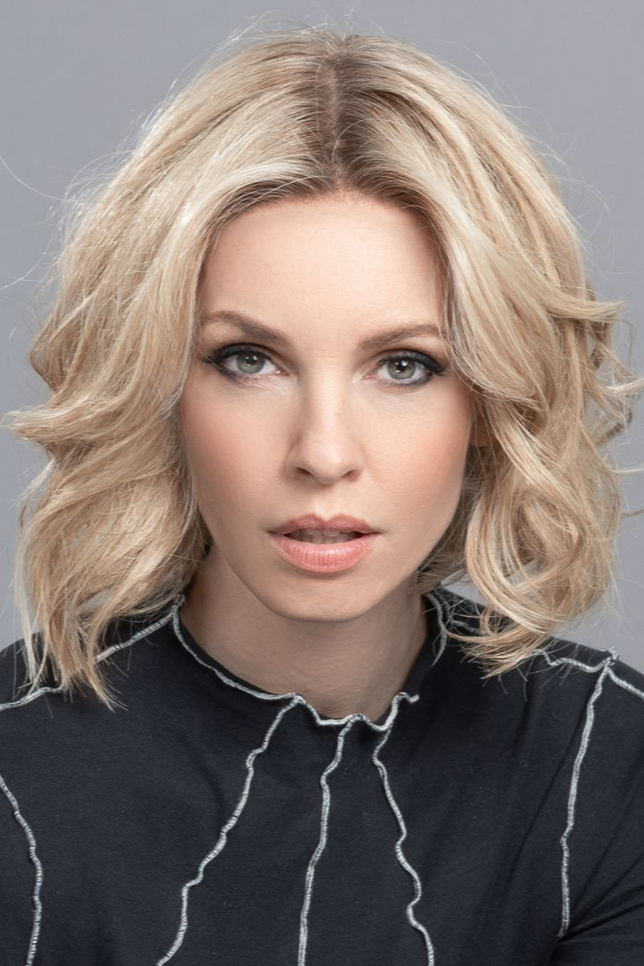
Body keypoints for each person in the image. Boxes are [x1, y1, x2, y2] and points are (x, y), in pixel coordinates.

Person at [1, 19, 643, 966]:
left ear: (493, 396)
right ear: (160, 386)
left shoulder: (608, 767)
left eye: (406, 365)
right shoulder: (16, 771)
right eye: (248, 360)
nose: (324, 452)